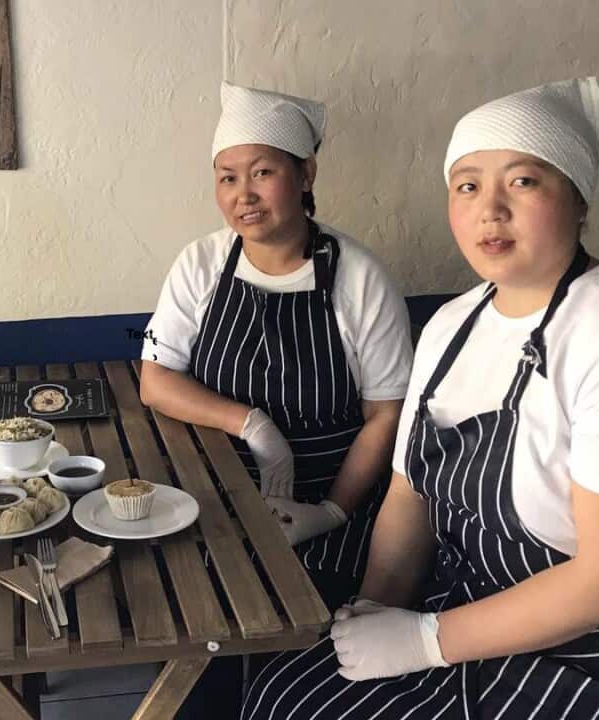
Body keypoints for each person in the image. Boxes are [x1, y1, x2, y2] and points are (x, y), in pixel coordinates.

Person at [242, 78, 599, 719]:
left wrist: (423, 641)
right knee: (285, 694)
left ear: (579, 200)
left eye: (523, 182)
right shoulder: (452, 326)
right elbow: (408, 494)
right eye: (467, 185)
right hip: (481, 609)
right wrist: (376, 614)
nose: (489, 210)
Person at [141, 82, 413, 609]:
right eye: (227, 178)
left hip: (329, 503)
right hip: (213, 495)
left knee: (304, 622)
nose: (243, 194)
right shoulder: (201, 264)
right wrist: (251, 425)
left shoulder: (359, 277)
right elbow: (156, 380)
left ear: (306, 174)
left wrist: (332, 510)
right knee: (192, 607)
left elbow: (386, 414)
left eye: (262, 172)